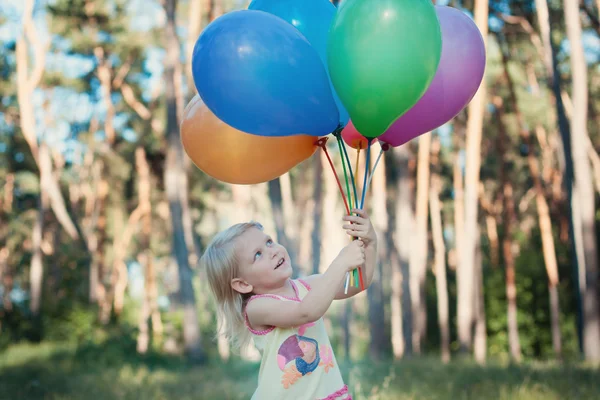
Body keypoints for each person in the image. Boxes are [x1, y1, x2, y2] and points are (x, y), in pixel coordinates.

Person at [201, 208, 378, 400]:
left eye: (268, 242)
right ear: (243, 284)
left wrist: (370, 242)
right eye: (258, 255)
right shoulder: (257, 308)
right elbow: (306, 312)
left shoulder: (306, 286)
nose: (272, 252)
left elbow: (358, 283)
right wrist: (341, 263)